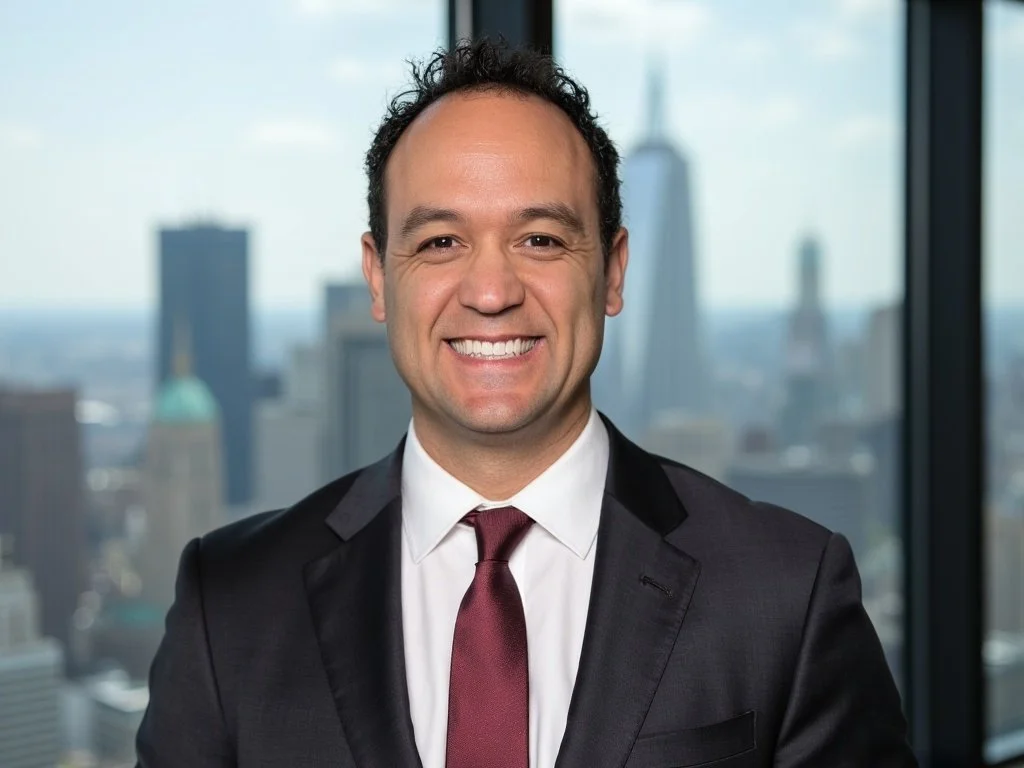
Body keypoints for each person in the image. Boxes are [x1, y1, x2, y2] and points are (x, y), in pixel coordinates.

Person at [136, 39, 917, 768]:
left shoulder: (786, 593)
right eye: (441, 242)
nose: (490, 292)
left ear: (612, 272)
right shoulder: (231, 604)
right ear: (379, 279)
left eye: (540, 239)